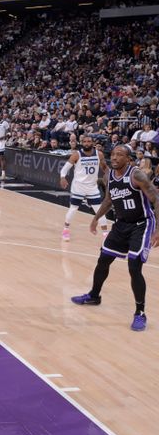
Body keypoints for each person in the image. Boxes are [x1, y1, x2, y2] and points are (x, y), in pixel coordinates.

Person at [71, 145, 159, 332]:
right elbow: (109, 200)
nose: (115, 157)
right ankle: (94, 296)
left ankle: (140, 313)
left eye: (120, 155)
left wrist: (158, 229)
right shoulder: (108, 176)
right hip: (121, 224)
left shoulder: (137, 175)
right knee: (103, 260)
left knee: (134, 266)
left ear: (128, 159)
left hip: (142, 224)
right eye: (113, 154)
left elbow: (156, 198)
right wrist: (95, 218)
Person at [60, 135, 109, 241]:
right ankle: (66, 229)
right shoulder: (76, 155)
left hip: (92, 187)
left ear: (92, 143)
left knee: (99, 210)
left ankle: (105, 233)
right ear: (82, 143)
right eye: (85, 141)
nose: (87, 143)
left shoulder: (99, 154)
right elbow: (64, 169)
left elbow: (105, 168)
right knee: (73, 209)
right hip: (78, 186)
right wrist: (62, 177)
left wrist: (110, 176)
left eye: (89, 141)